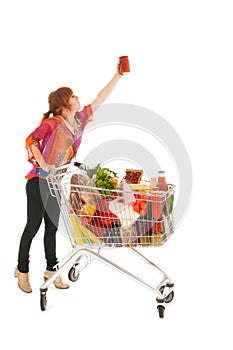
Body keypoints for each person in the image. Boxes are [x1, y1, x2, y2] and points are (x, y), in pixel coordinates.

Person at [15, 59, 127, 293]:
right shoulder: (52, 123)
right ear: (63, 105)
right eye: (73, 96)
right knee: (33, 227)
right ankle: (22, 270)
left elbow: (100, 98)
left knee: (52, 229)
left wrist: (117, 76)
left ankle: (50, 271)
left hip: (55, 184)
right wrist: (44, 163)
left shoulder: (78, 121)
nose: (78, 99)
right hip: (38, 182)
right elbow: (30, 141)